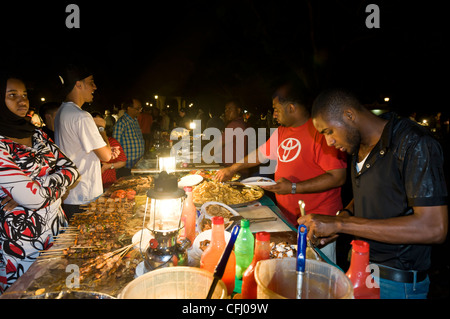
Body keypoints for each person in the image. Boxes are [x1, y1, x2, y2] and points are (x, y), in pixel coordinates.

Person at [302, 88, 448, 299]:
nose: (329, 142)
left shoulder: (414, 143)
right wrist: (344, 215)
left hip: (396, 283)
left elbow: (434, 227)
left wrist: (342, 225)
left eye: (328, 131)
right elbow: (372, 193)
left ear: (349, 115)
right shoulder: (358, 147)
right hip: (361, 268)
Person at [216, 85, 347, 262]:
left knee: (317, 272)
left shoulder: (321, 130)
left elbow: (337, 176)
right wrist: (233, 168)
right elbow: (261, 154)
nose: (274, 114)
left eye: (276, 110)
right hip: (286, 219)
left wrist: (293, 187)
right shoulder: (283, 131)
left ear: (291, 108)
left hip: (317, 224)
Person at [0, 76, 79, 293]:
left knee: (64, 288)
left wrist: (31, 189)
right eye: (12, 95)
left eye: (24, 94)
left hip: (57, 228)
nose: (22, 100)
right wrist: (38, 191)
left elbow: (72, 169)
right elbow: (34, 198)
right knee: (31, 292)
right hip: (24, 241)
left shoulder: (36, 134)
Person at [54, 64, 118, 219]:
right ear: (78, 84)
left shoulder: (62, 112)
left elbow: (80, 150)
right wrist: (102, 129)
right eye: (91, 82)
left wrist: (103, 150)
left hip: (71, 194)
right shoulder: (81, 116)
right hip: (84, 194)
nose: (94, 87)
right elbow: (106, 156)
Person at [91, 112, 127, 189]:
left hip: (109, 183)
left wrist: (108, 166)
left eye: (100, 125)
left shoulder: (112, 142)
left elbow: (122, 162)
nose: (98, 128)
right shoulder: (86, 143)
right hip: (91, 185)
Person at [112, 98, 145, 178]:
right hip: (126, 167)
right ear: (129, 108)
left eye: (141, 108)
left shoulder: (135, 121)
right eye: (137, 108)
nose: (140, 111)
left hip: (137, 164)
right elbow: (115, 146)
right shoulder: (121, 123)